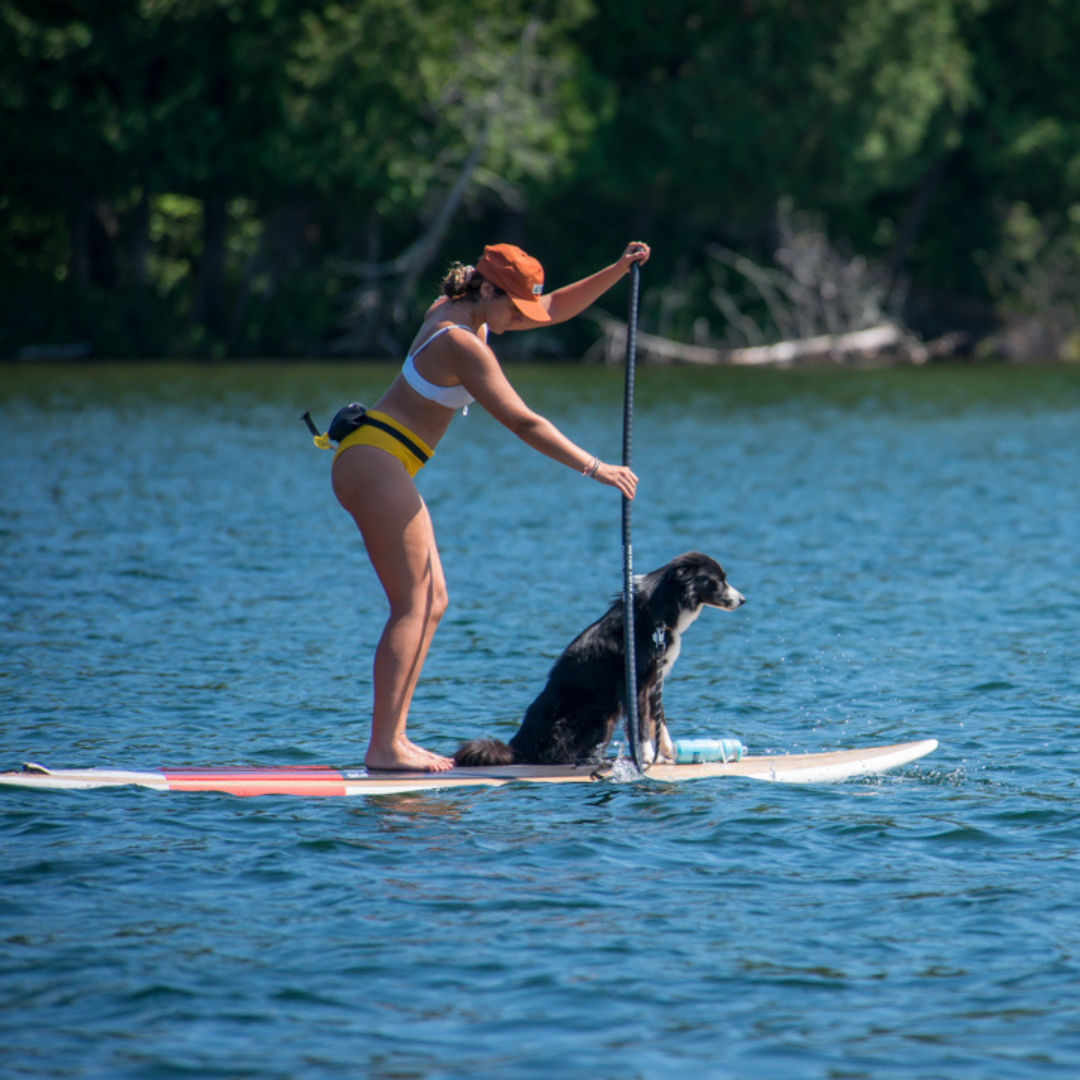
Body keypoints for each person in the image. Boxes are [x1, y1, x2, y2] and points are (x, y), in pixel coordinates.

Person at [330, 240, 650, 771]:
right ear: (487, 288)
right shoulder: (461, 341)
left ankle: (392, 740)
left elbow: (554, 308)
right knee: (413, 604)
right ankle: (386, 745)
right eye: (514, 307)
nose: (520, 319)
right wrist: (598, 468)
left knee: (432, 602)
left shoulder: (467, 310)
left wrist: (616, 268)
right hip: (374, 462)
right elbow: (524, 422)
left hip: (380, 462)